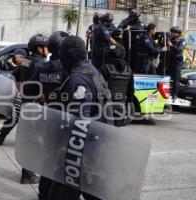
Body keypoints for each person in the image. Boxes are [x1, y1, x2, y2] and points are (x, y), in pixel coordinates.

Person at [45, 36, 112, 200]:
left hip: (80, 151)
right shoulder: (93, 71)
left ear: (69, 55)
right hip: (95, 146)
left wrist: (69, 155)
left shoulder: (78, 78)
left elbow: (80, 122)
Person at [0, 34, 49, 185]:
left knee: (28, 138)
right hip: (36, 105)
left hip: (26, 102)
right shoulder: (41, 64)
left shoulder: (26, 61)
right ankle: (28, 175)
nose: (48, 49)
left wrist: (22, 91)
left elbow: (14, 76)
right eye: (46, 46)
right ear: (40, 48)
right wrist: (42, 97)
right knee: (34, 141)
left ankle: (27, 173)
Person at [29, 31, 69, 200]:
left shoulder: (41, 67)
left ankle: (43, 194)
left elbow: (29, 89)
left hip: (47, 117)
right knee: (62, 163)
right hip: (64, 119)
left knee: (47, 160)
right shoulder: (68, 69)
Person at [99, 30, 134, 127]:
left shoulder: (105, 69)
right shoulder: (129, 70)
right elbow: (131, 91)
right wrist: (127, 107)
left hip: (105, 109)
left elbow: (97, 88)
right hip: (121, 109)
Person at [166, 26, 185, 100]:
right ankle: (167, 92)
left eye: (173, 32)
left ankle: (174, 95)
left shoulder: (181, 40)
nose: (172, 33)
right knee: (167, 78)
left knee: (176, 79)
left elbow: (180, 49)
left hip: (177, 62)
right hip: (170, 61)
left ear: (177, 33)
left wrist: (172, 45)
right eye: (171, 32)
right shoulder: (170, 38)